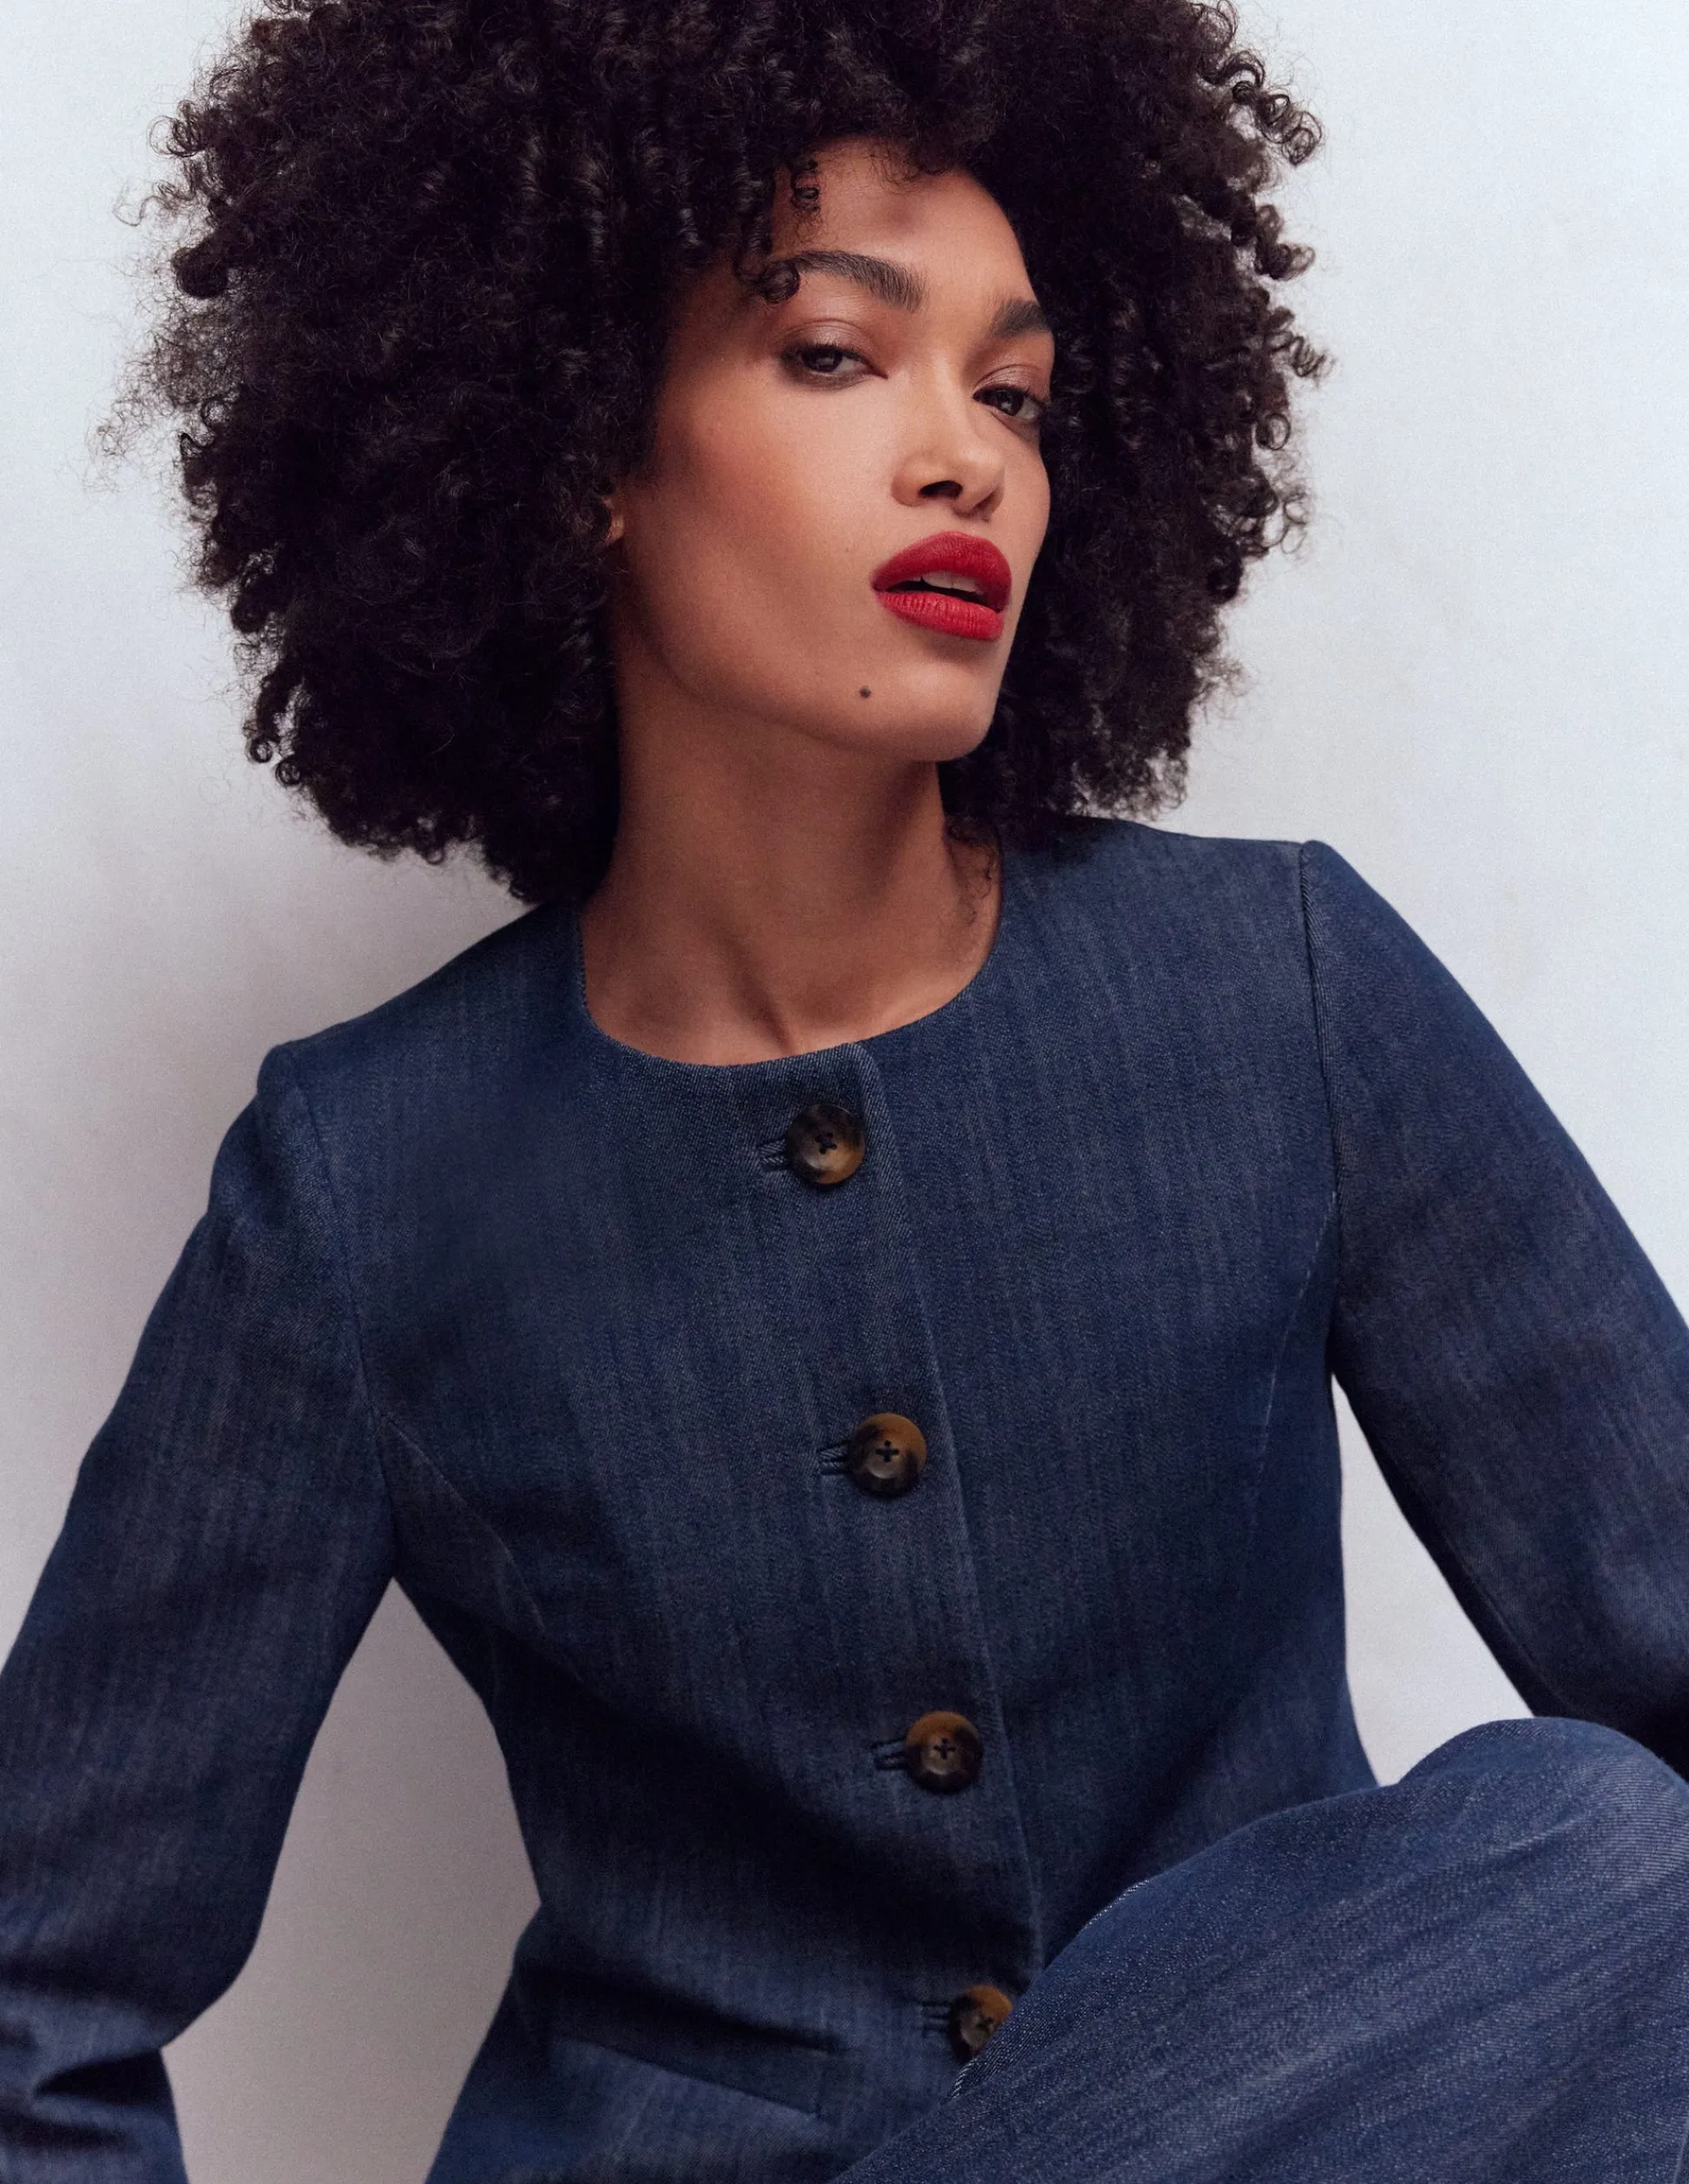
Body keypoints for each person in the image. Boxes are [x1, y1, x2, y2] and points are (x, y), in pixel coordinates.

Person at [5, 1, 1689, 2179]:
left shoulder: (1275, 987)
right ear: (586, 451)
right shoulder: (360, 1185)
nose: (964, 454)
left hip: (1282, 2127)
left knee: (1599, 1839)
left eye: (1014, 393)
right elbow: (37, 1985)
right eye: (833, 353)